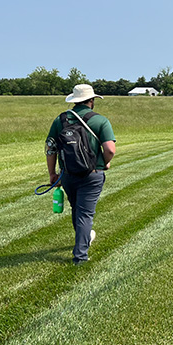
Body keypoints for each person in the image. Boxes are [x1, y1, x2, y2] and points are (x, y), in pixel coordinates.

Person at [45, 84, 116, 265]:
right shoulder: (100, 121)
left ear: (74, 101)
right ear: (91, 101)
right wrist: (105, 162)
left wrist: (52, 174)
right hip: (92, 174)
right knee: (85, 214)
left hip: (68, 174)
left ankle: (84, 239)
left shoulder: (60, 120)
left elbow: (50, 148)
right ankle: (80, 257)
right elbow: (110, 149)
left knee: (77, 211)